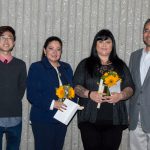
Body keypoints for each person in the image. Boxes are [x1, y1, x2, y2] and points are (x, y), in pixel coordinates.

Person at [73, 29, 134, 150]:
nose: (104, 45)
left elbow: (130, 87)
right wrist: (89, 94)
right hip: (89, 120)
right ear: (95, 45)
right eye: (100, 41)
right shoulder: (85, 64)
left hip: (114, 121)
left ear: (113, 45)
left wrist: (121, 95)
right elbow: (76, 86)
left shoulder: (120, 65)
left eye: (108, 41)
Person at [27, 36, 74, 150]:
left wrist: (72, 104)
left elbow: (71, 91)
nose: (54, 52)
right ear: (44, 50)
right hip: (43, 119)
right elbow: (32, 95)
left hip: (62, 118)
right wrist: (54, 103)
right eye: (51, 48)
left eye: (58, 49)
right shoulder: (37, 67)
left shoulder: (66, 68)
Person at [0, 26, 27, 150]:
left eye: (9, 38)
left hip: (15, 116)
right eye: (2, 38)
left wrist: (12, 99)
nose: (6, 41)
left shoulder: (21, 65)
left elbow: (21, 88)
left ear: (14, 42)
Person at [128, 18, 150, 150]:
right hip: (136, 117)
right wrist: (128, 112)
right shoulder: (134, 56)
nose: (148, 34)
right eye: (146, 30)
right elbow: (129, 86)